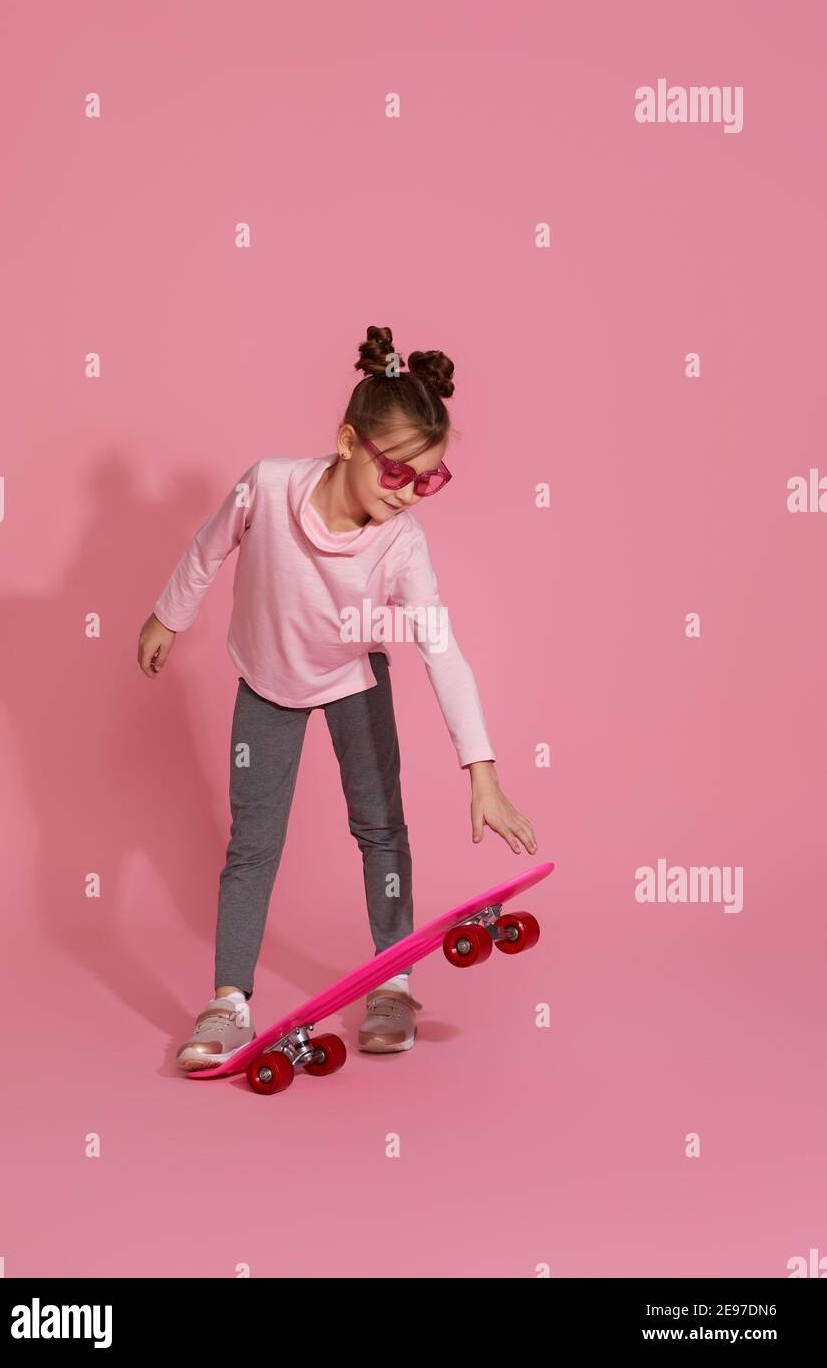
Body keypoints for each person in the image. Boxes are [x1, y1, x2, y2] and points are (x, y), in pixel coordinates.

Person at [137, 325, 536, 1072]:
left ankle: (393, 980)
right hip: (268, 680)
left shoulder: (402, 543)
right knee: (252, 845)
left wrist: (480, 768)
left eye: (428, 480)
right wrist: (169, 614)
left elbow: (439, 647)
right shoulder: (271, 484)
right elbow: (208, 546)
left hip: (355, 677)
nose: (410, 493)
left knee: (381, 827)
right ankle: (227, 1001)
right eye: (397, 473)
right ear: (347, 441)